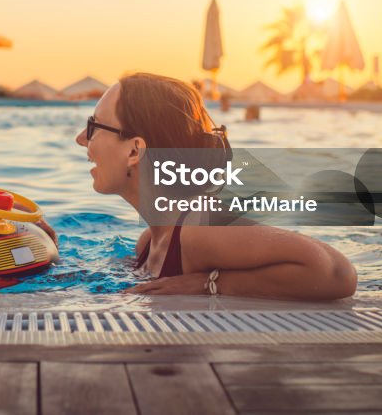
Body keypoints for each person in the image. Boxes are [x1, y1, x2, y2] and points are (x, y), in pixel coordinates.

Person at [77, 72, 357, 300]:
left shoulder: (195, 232)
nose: (81, 139)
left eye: (94, 127)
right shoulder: (149, 242)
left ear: (134, 151)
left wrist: (211, 284)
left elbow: (335, 272)